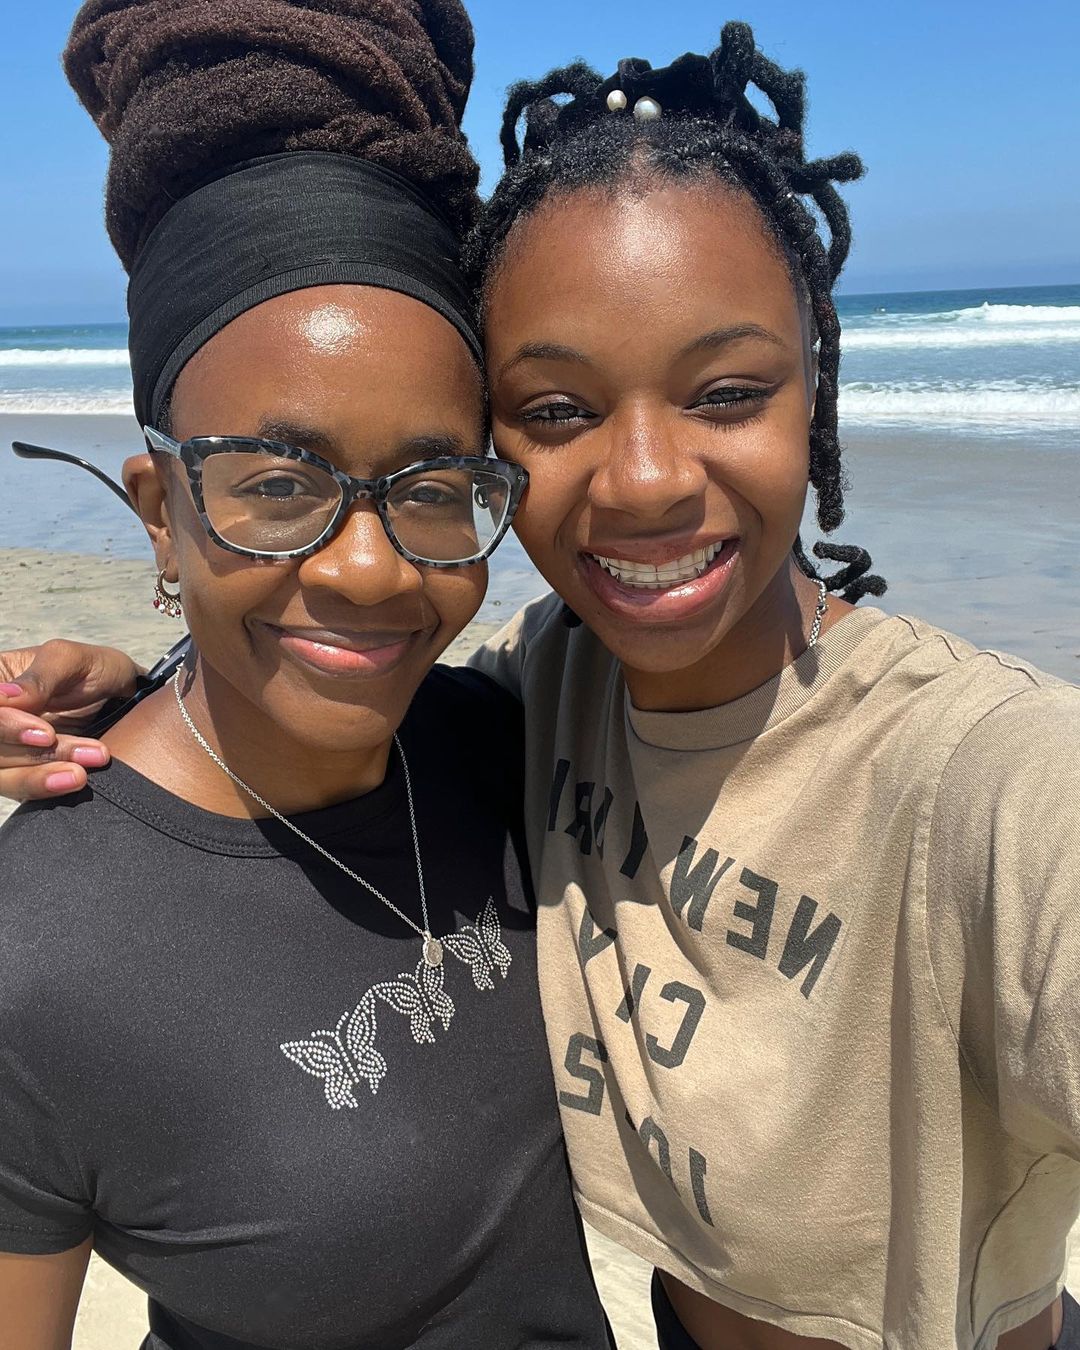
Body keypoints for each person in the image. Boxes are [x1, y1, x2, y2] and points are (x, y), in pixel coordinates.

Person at [4, 18, 1080, 1350]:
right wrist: (151, 689)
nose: (646, 481)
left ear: (816, 389)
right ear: (161, 513)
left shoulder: (975, 773)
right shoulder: (518, 712)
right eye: (560, 411)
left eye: (728, 391)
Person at [0, 3, 615, 1348]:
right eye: (279, 485)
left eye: (435, 486)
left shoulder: (501, 745)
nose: (371, 569)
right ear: (160, 513)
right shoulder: (33, 951)